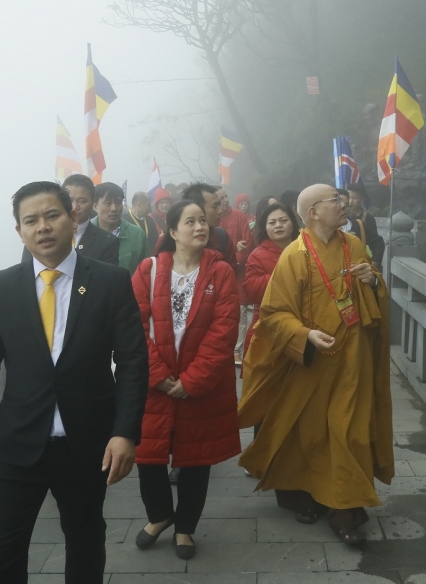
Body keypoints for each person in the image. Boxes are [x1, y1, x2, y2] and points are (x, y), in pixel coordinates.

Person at [0, 181, 149, 584]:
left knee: (86, 542)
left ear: (73, 218)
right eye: (31, 220)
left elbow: (133, 363)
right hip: (17, 444)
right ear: (19, 231)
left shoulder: (110, 282)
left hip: (86, 444)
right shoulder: (2, 288)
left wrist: (125, 433)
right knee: (1, 554)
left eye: (52, 215)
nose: (43, 227)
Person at [238, 184, 393, 546]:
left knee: (348, 430)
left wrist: (373, 283)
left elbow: (373, 293)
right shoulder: (294, 256)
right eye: (334, 201)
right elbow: (274, 313)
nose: (343, 205)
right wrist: (303, 334)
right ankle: (313, 496)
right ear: (312, 213)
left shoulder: (352, 244)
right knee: (310, 434)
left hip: (353, 356)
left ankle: (343, 508)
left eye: (341, 200)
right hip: (313, 362)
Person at [130, 200, 240, 559]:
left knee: (196, 458)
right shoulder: (147, 271)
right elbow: (131, 327)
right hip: (153, 384)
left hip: (202, 386)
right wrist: (159, 376)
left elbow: (224, 331)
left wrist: (191, 380)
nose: (200, 227)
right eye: (189, 222)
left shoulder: (220, 272)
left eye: (202, 221)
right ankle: (159, 515)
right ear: (172, 231)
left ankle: (185, 527)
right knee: (148, 454)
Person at [239, 201, 300, 379]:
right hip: (267, 326)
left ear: (293, 223)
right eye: (272, 222)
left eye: (283, 220)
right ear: (265, 227)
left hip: (303, 323)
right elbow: (252, 291)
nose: (278, 225)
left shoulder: (306, 248)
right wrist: (284, 275)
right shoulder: (257, 255)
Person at [21, 174, 118, 266]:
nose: (75, 206)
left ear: (93, 202)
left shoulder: (106, 242)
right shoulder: (41, 238)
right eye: (70, 200)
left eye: (82, 201)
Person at [93, 182, 149, 272]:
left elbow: (147, 271)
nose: (114, 208)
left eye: (118, 203)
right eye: (108, 203)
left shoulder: (137, 235)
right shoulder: (84, 232)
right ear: (95, 206)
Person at [181, 183, 237, 269]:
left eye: (219, 205)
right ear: (197, 208)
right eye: (215, 207)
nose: (220, 211)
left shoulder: (221, 237)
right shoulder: (174, 240)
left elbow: (232, 273)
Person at [340, 184, 384, 269]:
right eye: (349, 198)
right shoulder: (338, 219)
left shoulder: (368, 220)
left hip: (359, 264)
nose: (351, 201)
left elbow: (377, 243)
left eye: (355, 198)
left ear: (362, 199)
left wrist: (374, 263)